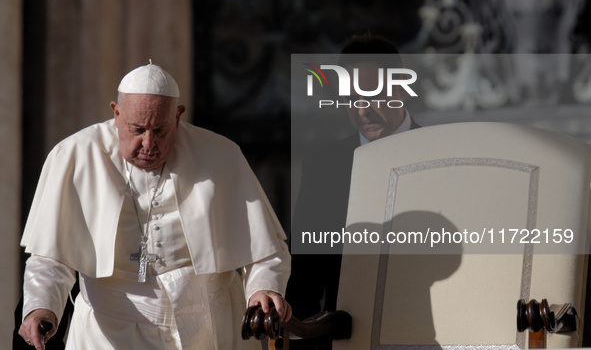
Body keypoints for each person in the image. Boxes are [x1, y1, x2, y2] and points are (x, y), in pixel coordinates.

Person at [18, 62, 291, 350]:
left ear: (178, 116)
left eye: (160, 130)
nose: (148, 143)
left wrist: (263, 287)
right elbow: (50, 257)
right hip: (109, 332)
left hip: (210, 325)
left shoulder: (220, 155)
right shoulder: (73, 156)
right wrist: (41, 306)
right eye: (137, 129)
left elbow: (264, 249)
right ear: (116, 112)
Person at [286, 34, 419, 349]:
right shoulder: (322, 168)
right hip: (347, 337)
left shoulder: (446, 156)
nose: (362, 110)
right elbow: (305, 275)